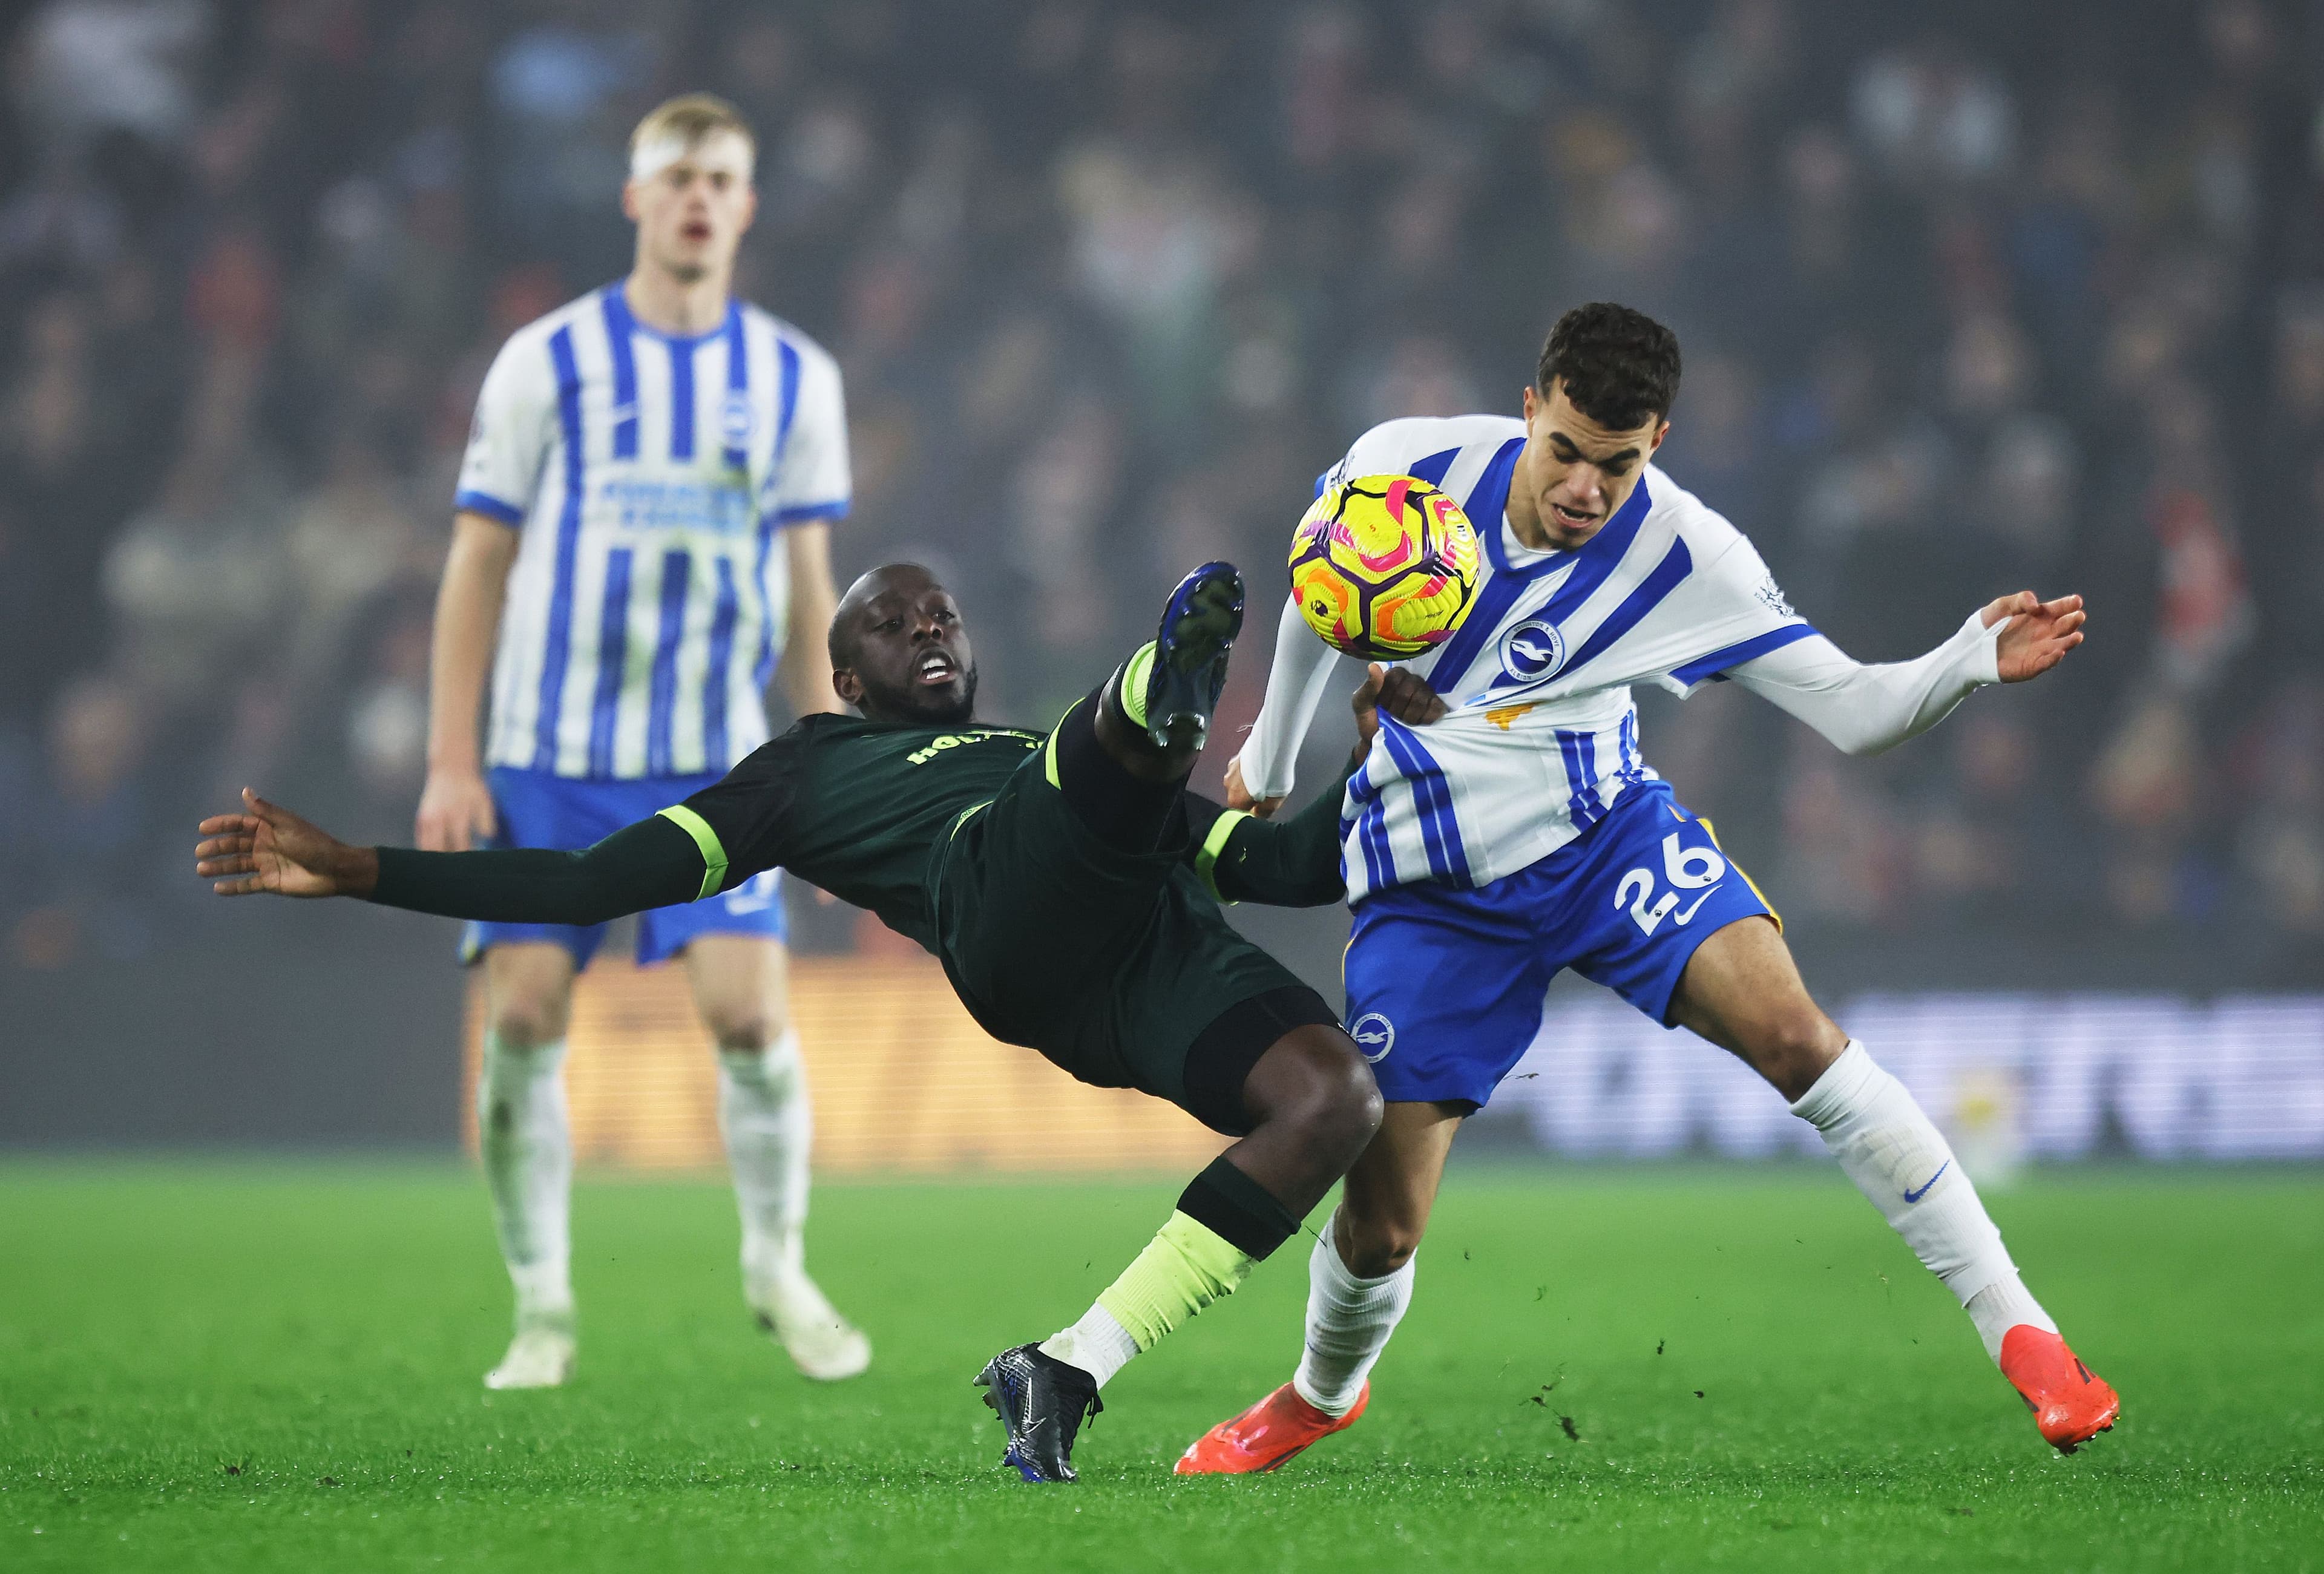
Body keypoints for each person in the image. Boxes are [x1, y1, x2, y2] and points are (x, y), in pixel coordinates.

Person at [196, 560, 1407, 1486]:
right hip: (1008, 916)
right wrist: (359, 868)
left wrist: (1382, 757)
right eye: (895, 620)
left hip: (1151, 955)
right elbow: (580, 883)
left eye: (943, 614)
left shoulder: (1045, 754)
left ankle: (1068, 1365)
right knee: (1087, 772)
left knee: (1334, 1099)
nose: (929, 626)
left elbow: (1292, 864)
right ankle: (1167, 683)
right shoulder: (808, 769)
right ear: (846, 678)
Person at [1181, 303, 2118, 1474]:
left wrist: (1966, 662)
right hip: (1434, 887)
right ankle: (1324, 1392)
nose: (1584, 486)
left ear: (1659, 441)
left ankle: (2025, 1331)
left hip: (1608, 841)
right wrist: (1269, 759)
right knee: (1382, 1228)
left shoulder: (1693, 561)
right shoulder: (1402, 468)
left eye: (1617, 464)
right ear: (1532, 406)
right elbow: (1321, 596)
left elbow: (1854, 707)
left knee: (1798, 1035)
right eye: (1566, 449)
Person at [418, 94, 862, 1388]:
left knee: (747, 1018)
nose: (698, 198)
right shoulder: (542, 360)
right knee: (529, 1013)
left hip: (712, 758)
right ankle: (542, 1305)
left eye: (721, 177)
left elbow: (803, 587)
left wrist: (830, 764)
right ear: (633, 198)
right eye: (675, 176)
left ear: (749, 202)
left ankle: (777, 1262)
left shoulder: (792, 376)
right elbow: (476, 561)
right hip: (545, 755)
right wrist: (454, 759)